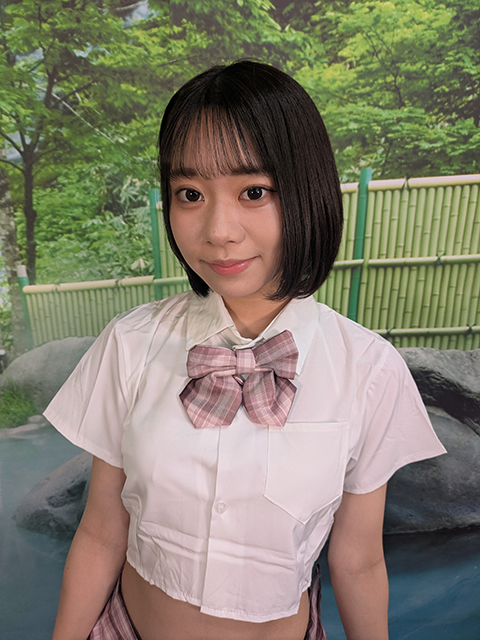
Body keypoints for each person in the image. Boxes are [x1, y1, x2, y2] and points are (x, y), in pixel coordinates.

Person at [45, 60, 446, 640]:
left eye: (254, 192)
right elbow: (103, 530)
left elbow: (358, 560)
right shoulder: (131, 344)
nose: (218, 230)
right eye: (189, 194)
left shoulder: (369, 370)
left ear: (306, 192)